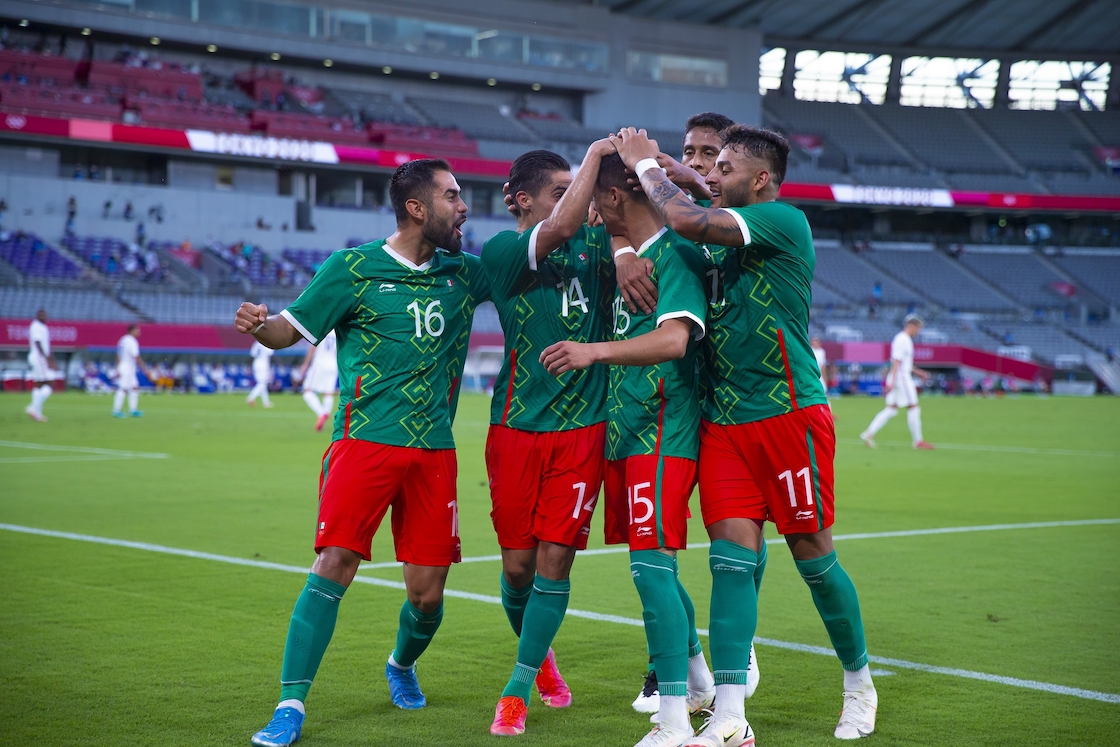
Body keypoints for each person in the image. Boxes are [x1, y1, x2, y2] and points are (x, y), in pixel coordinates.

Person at [616, 124, 877, 743]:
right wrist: (627, 242)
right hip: (723, 423)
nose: (715, 173)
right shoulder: (712, 230)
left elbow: (686, 221)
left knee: (813, 555)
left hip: (788, 414)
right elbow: (657, 221)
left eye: (726, 166)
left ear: (760, 179)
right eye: (711, 163)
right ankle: (731, 716)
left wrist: (647, 167)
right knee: (730, 563)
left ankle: (858, 684)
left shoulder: (783, 221)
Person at [236, 158, 489, 747]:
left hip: (434, 452)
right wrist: (259, 323)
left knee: (427, 597)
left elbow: (539, 252)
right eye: (452, 196)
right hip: (363, 443)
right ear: (417, 208)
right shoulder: (351, 269)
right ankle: (291, 705)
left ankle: (400, 663)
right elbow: (286, 332)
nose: (463, 206)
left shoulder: (466, 273)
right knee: (334, 566)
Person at [538, 152, 716, 747]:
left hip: (664, 432)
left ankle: (672, 723)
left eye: (594, 198)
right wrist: (619, 250)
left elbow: (673, 339)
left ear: (613, 200)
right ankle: (698, 683)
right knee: (652, 566)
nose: (586, 208)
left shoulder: (675, 256)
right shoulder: (632, 256)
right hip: (630, 430)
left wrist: (593, 352)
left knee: (650, 568)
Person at [620, 111, 767, 717]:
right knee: (661, 541)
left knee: (737, 534)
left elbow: (684, 206)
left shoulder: (741, 220)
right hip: (683, 402)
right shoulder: (671, 213)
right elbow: (631, 210)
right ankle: (679, 665)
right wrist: (624, 246)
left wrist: (655, 168)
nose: (702, 161)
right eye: (692, 150)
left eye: (713, 154)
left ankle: (740, 647)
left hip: (742, 402)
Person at [481, 141, 626, 737]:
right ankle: (542, 659)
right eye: (558, 189)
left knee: (554, 560)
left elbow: (637, 224)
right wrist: (595, 154)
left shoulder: (596, 241)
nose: (574, 198)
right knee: (517, 570)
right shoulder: (501, 251)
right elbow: (566, 220)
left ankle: (516, 686)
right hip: (515, 426)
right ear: (519, 200)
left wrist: (623, 248)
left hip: (582, 430)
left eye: (577, 186)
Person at [860, 315, 934, 450]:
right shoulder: (903, 340)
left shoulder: (902, 339)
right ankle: (918, 441)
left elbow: (903, 362)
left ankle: (868, 433)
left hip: (898, 377)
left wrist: (919, 372)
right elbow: (896, 362)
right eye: (918, 328)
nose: (918, 331)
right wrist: (892, 381)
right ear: (912, 326)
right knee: (913, 406)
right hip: (901, 379)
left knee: (891, 409)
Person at [297, 329, 338, 431]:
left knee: (307, 391)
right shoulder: (338, 332)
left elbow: (312, 348)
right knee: (328, 393)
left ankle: (321, 413)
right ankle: (325, 414)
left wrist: (305, 364)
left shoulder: (322, 329)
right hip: (333, 364)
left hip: (319, 363)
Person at [25, 308, 57, 422]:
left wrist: (52, 359)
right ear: (37, 316)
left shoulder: (42, 327)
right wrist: (46, 359)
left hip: (39, 358)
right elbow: (37, 343)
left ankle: (37, 414)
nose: (43, 317)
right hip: (39, 358)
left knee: (38, 385)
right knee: (50, 384)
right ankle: (33, 407)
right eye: (40, 315)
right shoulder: (36, 326)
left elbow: (46, 345)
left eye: (44, 315)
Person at [112, 324, 150, 417]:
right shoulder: (131, 341)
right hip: (127, 367)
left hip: (124, 365)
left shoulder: (123, 340)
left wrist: (118, 367)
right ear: (132, 331)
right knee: (123, 388)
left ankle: (133, 410)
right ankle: (116, 410)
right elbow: (136, 356)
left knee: (134, 387)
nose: (139, 332)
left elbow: (118, 355)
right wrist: (144, 368)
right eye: (137, 330)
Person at [247, 340, 274, 408]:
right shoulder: (267, 342)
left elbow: (252, 356)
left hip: (256, 364)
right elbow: (271, 356)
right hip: (263, 365)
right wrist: (280, 364)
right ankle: (250, 398)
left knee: (263, 384)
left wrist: (248, 366)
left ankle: (266, 402)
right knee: (262, 384)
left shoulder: (256, 343)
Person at [812, 336, 830, 401]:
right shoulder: (811, 350)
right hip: (812, 374)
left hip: (820, 375)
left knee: (824, 391)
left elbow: (823, 366)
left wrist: (825, 377)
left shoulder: (821, 352)